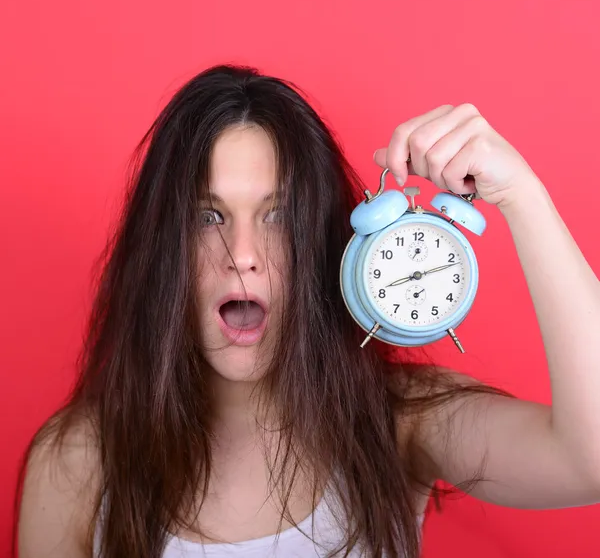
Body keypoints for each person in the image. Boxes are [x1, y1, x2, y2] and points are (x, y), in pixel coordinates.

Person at [14, 64, 600, 558]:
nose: (243, 256)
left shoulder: (400, 423)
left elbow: (589, 462)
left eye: (277, 216)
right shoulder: (79, 461)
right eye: (207, 217)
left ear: (322, 245)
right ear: (161, 249)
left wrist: (523, 195)